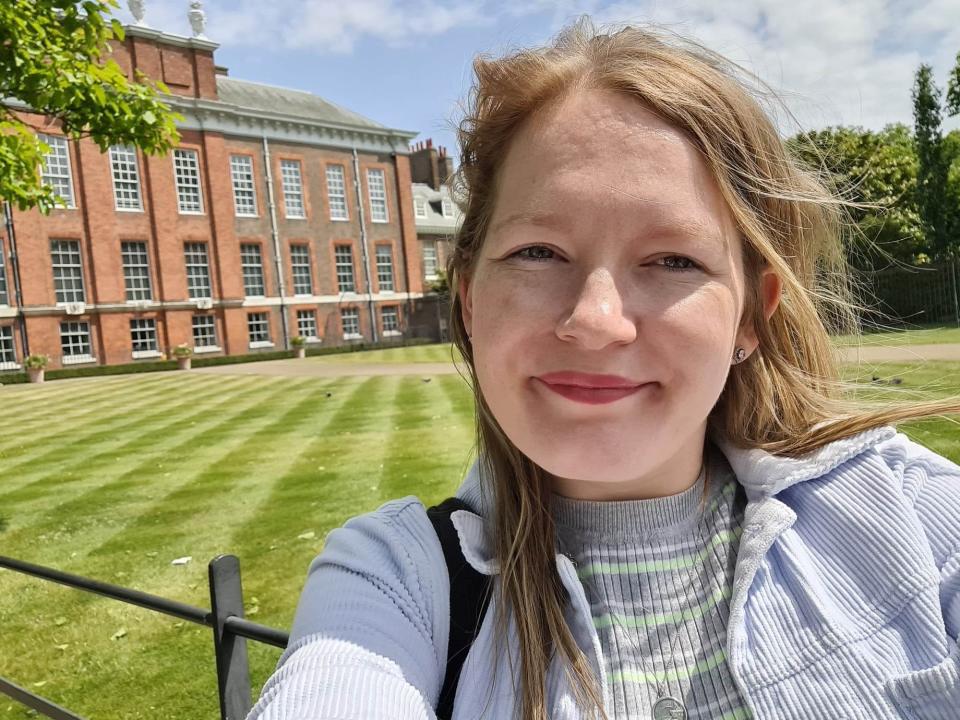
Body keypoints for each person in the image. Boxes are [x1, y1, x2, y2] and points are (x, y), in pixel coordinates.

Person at [246, 18, 960, 720]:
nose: (594, 320)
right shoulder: (393, 584)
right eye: (539, 253)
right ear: (469, 299)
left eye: (673, 260)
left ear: (751, 315)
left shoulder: (911, 510)